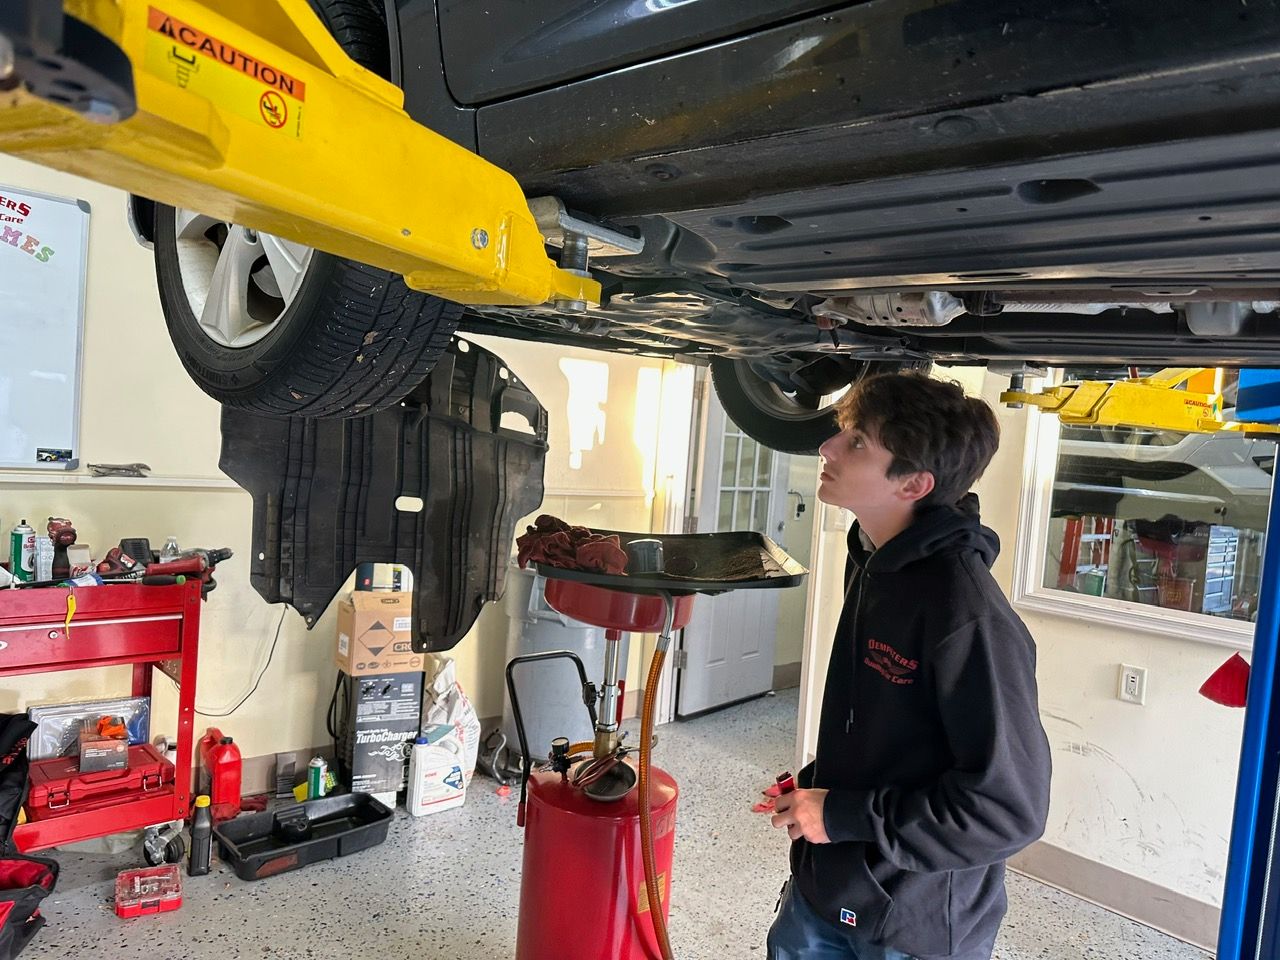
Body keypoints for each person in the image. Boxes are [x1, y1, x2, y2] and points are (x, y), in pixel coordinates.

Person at [768, 372, 1052, 960]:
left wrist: (844, 813)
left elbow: (1006, 813)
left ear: (914, 484)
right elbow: (888, 723)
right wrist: (820, 785)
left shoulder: (966, 614)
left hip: (911, 924)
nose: (828, 447)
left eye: (858, 442)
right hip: (827, 888)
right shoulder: (873, 556)